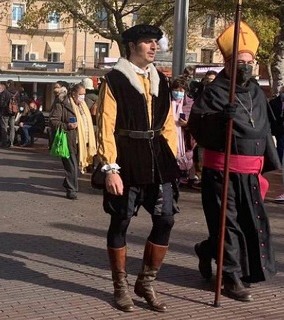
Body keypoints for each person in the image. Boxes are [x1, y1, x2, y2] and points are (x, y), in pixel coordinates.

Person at [189, 22, 281, 302]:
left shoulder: (255, 92)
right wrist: (219, 119)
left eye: (249, 63)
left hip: (249, 172)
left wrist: (266, 161)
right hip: (222, 170)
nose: (245, 68)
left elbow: (263, 127)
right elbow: (197, 126)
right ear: (227, 63)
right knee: (227, 227)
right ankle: (229, 277)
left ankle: (208, 250)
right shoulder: (215, 92)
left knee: (247, 223)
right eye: (240, 63)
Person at [97, 24, 179, 312]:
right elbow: (105, 126)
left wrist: (173, 156)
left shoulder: (162, 81)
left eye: (155, 42)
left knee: (166, 219)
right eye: (147, 42)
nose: (154, 47)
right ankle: (120, 286)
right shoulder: (115, 80)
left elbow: (168, 123)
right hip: (126, 158)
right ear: (132, 46)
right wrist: (110, 168)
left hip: (158, 159)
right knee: (120, 221)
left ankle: (146, 281)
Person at [49, 83, 96, 199]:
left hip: (81, 141)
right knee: (72, 167)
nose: (83, 97)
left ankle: (68, 182)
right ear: (74, 94)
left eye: (84, 94)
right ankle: (72, 190)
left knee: (78, 167)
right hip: (68, 139)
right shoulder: (62, 103)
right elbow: (53, 121)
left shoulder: (83, 106)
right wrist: (67, 126)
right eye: (81, 94)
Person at [171, 78, 195, 185]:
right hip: (170, 137)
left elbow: (195, 123)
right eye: (176, 90)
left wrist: (187, 124)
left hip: (184, 139)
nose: (178, 93)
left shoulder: (189, 105)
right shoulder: (166, 103)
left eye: (181, 91)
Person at [269, 86, 284, 162]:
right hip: (278, 127)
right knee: (281, 144)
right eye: (283, 92)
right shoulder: (273, 102)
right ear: (280, 93)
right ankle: (280, 160)